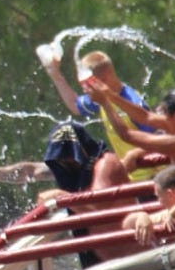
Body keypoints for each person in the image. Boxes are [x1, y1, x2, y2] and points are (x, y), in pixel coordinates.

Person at [41, 48, 157, 183]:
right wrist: (55, 73)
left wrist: (135, 154)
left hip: (153, 177)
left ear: (104, 78)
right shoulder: (101, 98)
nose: (84, 89)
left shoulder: (131, 101)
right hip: (132, 179)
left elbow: (157, 136)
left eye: (86, 84)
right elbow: (74, 105)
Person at [89, 86, 175, 177]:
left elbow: (127, 135)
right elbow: (145, 116)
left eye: (163, 112)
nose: (158, 117)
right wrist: (110, 95)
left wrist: (105, 104)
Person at [0, 120, 111, 195]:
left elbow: (100, 198)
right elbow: (30, 172)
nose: (62, 161)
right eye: (59, 157)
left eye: (67, 155)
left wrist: (62, 196)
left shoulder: (104, 164)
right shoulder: (65, 169)